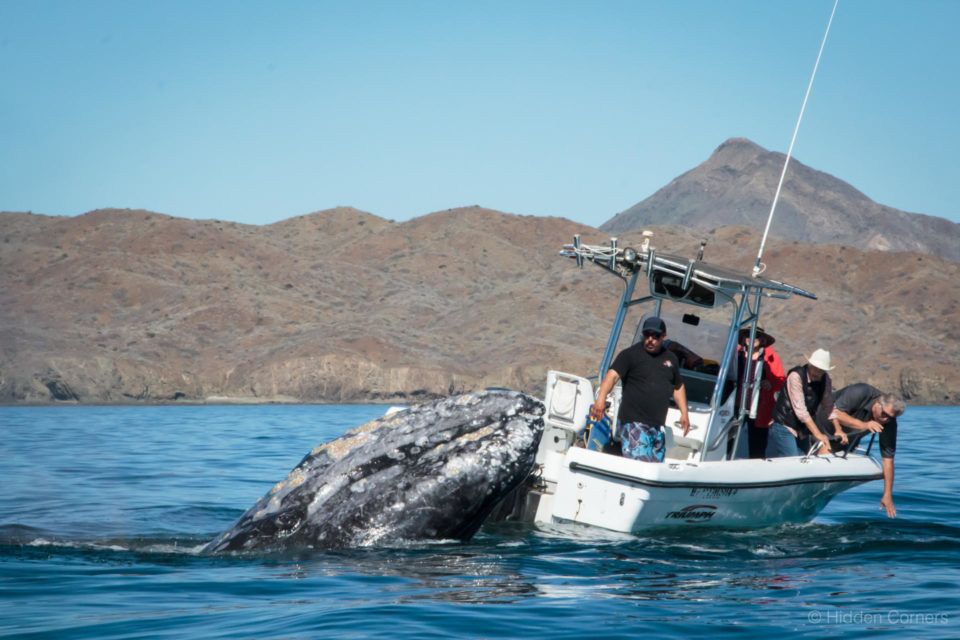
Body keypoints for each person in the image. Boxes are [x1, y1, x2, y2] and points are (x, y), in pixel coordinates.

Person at [589, 316, 690, 462]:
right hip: (634, 424)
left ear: (664, 337)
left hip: (657, 426)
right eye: (647, 335)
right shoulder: (629, 355)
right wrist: (600, 400)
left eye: (655, 336)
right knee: (639, 466)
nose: (651, 339)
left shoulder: (671, 359)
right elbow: (612, 377)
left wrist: (684, 413)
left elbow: (678, 387)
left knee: (654, 470)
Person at [831, 384, 906, 518]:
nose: (885, 419)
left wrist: (887, 494)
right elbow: (834, 412)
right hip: (816, 427)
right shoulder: (861, 392)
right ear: (877, 403)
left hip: (842, 442)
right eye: (884, 414)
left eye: (890, 417)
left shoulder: (889, 422)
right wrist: (864, 425)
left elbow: (888, 459)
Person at [766, 348, 838, 458]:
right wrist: (818, 434)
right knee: (793, 459)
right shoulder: (795, 376)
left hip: (803, 429)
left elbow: (829, 406)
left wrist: (838, 429)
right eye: (816, 368)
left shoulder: (826, 380)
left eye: (822, 370)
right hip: (785, 424)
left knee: (805, 458)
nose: (818, 373)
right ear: (810, 365)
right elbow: (801, 411)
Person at [736, 327, 785, 458]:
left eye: (755, 335)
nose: (750, 337)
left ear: (762, 339)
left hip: (759, 409)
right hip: (733, 405)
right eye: (747, 334)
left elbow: (780, 383)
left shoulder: (772, 358)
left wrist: (770, 385)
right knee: (725, 440)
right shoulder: (736, 354)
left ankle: (753, 473)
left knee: (757, 447)